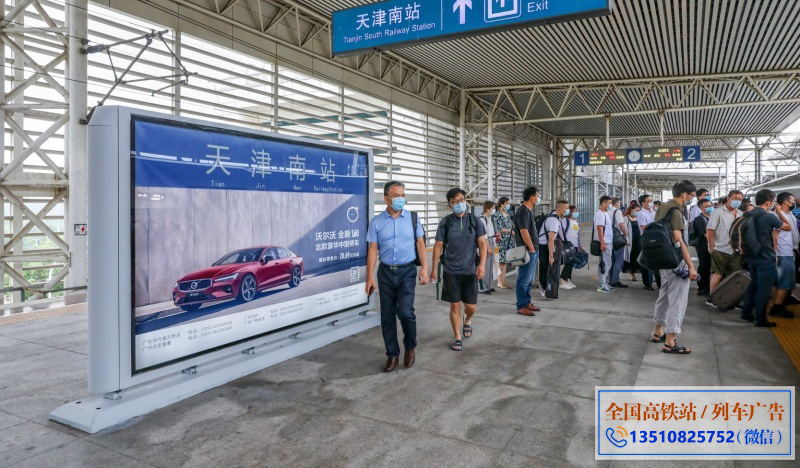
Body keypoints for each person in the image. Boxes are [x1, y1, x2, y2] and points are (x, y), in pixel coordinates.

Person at [366, 181, 428, 373]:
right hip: (385, 272)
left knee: (406, 312)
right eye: (397, 195)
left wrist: (424, 268)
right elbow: (373, 250)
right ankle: (392, 355)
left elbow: (420, 244)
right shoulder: (377, 222)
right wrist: (370, 277)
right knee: (387, 316)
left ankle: (410, 346)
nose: (401, 199)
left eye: (403, 195)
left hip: (407, 271)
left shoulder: (413, 219)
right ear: (386, 198)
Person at [431, 188, 488, 352]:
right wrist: (434, 269)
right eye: (455, 201)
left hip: (470, 271)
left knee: (471, 307)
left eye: (461, 200)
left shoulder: (475, 221)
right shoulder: (446, 223)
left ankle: (468, 319)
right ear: (450, 205)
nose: (459, 203)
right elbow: (438, 247)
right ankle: (457, 336)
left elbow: (483, 244)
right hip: (451, 271)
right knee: (454, 306)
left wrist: (482, 265)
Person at [651, 180, 698, 355]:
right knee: (677, 300)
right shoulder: (676, 212)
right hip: (676, 260)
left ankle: (658, 332)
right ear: (684, 194)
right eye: (691, 196)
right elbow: (678, 239)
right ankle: (670, 341)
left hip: (662, 258)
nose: (691, 199)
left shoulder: (662, 208)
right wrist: (691, 266)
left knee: (663, 295)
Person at [739, 189, 792, 327]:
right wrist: (779, 212)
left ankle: (746, 312)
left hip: (751, 256)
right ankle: (760, 319)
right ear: (768, 202)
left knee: (753, 284)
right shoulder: (769, 216)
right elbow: (788, 227)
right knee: (764, 288)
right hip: (765, 257)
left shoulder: (747, 214)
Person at [706, 190, 744, 307]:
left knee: (734, 276)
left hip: (735, 250)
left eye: (740, 199)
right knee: (718, 274)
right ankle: (711, 298)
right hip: (720, 248)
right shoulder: (718, 212)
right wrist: (711, 245)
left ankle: (731, 298)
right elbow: (710, 230)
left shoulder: (740, 213)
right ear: (728, 199)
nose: (738, 201)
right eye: (736, 198)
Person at [514, 186, 542, 316]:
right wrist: (531, 248)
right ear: (532, 197)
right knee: (524, 279)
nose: (538, 198)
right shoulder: (523, 211)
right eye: (537, 196)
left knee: (529, 279)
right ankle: (521, 305)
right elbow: (523, 231)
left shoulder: (527, 210)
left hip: (533, 249)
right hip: (528, 250)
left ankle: (526, 302)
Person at [770, 192, 798, 318]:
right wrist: (775, 254)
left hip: (788, 251)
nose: (794, 204)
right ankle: (777, 308)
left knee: (779, 282)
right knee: (784, 282)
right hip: (783, 253)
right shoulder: (777, 216)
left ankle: (777, 304)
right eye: (792, 202)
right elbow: (775, 235)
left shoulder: (789, 214)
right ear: (786, 202)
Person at [538, 200, 570, 297]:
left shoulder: (556, 216)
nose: (568, 210)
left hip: (546, 244)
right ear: (560, 209)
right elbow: (551, 239)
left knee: (547, 267)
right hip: (544, 245)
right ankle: (544, 288)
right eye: (567, 208)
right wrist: (551, 255)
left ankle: (547, 287)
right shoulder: (554, 220)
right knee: (545, 267)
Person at [637, 194, 661, 290]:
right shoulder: (641, 214)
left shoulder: (653, 212)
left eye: (651, 200)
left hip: (656, 239)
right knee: (647, 263)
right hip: (647, 240)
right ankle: (647, 284)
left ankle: (659, 283)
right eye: (649, 200)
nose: (651, 202)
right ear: (643, 203)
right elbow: (644, 229)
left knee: (657, 263)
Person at [691, 198, 713, 297]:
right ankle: (702, 288)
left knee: (707, 266)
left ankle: (706, 286)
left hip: (710, 245)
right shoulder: (700, 219)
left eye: (710, 206)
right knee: (704, 266)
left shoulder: (711, 217)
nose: (709, 208)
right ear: (701, 208)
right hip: (703, 246)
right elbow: (705, 234)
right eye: (707, 207)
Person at [594, 195, 614, 293]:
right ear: (603, 203)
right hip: (605, 242)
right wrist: (602, 242)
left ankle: (604, 283)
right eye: (609, 203)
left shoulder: (605, 214)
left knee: (607, 263)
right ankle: (602, 284)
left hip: (608, 241)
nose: (610, 205)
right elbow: (599, 228)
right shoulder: (600, 214)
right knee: (604, 263)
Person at [493, 197, 514, 289]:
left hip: (508, 240)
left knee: (504, 261)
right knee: (500, 261)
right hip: (501, 240)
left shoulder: (506, 214)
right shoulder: (498, 214)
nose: (508, 205)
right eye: (507, 203)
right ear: (503, 203)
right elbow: (499, 228)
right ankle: (499, 281)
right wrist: (510, 231)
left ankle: (503, 281)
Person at [609, 197, 629, 289]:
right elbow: (621, 224)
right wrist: (625, 235)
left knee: (611, 259)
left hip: (608, 238)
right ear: (617, 203)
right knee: (618, 260)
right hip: (617, 238)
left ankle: (610, 279)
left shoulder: (605, 211)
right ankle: (615, 280)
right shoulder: (617, 212)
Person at [478, 201, 498, 295]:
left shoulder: (489, 218)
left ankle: (488, 285)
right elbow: (484, 235)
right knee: (485, 264)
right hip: (486, 242)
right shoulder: (482, 219)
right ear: (487, 208)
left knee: (490, 265)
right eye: (493, 208)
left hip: (492, 240)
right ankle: (482, 287)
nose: (494, 209)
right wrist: (488, 247)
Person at [560, 205, 581, 289]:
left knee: (571, 263)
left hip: (575, 244)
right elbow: (561, 232)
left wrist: (580, 245)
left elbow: (577, 234)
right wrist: (564, 242)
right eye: (574, 211)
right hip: (568, 244)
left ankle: (568, 279)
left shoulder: (575, 221)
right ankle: (562, 280)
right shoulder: (565, 220)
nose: (575, 212)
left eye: (576, 211)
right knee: (568, 263)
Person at [623, 201, 641, 282]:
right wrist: (626, 239)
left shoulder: (639, 218)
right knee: (631, 257)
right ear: (631, 210)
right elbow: (624, 231)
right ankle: (632, 273)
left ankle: (637, 271)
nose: (638, 212)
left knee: (638, 256)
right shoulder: (626, 218)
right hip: (631, 240)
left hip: (639, 240)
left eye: (639, 211)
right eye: (636, 210)